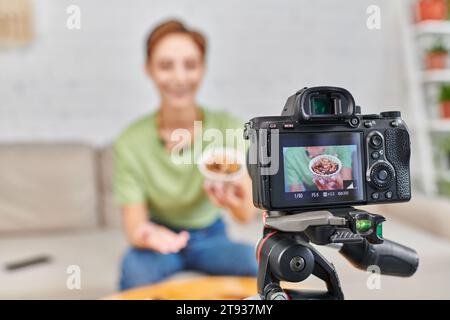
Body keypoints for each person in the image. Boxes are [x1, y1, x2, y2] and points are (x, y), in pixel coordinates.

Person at [113, 20, 258, 290]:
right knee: (133, 274)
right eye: (166, 66)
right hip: (159, 237)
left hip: (212, 236)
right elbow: (134, 225)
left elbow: (246, 213)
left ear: (202, 68)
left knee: (254, 264)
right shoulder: (130, 142)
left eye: (190, 65)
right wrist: (144, 233)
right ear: (149, 70)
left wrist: (232, 201)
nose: (179, 78)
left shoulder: (228, 127)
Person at [284, 145, 354, 192]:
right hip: (311, 190)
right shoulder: (291, 153)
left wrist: (339, 190)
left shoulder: (341, 145)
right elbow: (295, 190)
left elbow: (348, 184)